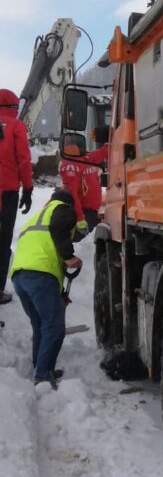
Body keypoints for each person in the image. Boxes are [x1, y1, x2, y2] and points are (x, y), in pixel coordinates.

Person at [10, 188, 81, 388]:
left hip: (19, 276)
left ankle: (42, 368)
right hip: (41, 275)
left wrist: (58, 294)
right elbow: (59, 229)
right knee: (54, 327)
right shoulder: (63, 209)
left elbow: (43, 247)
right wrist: (69, 257)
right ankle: (42, 375)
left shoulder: (37, 217)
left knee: (41, 324)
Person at [0, 89, 33, 304]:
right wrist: (28, 189)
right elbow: (23, 159)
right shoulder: (16, 126)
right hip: (6, 194)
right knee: (2, 243)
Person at [59, 142, 108, 240]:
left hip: (92, 212)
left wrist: (110, 145)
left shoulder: (86, 159)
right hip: (83, 214)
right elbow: (72, 195)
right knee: (84, 246)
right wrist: (80, 219)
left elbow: (99, 154)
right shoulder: (70, 166)